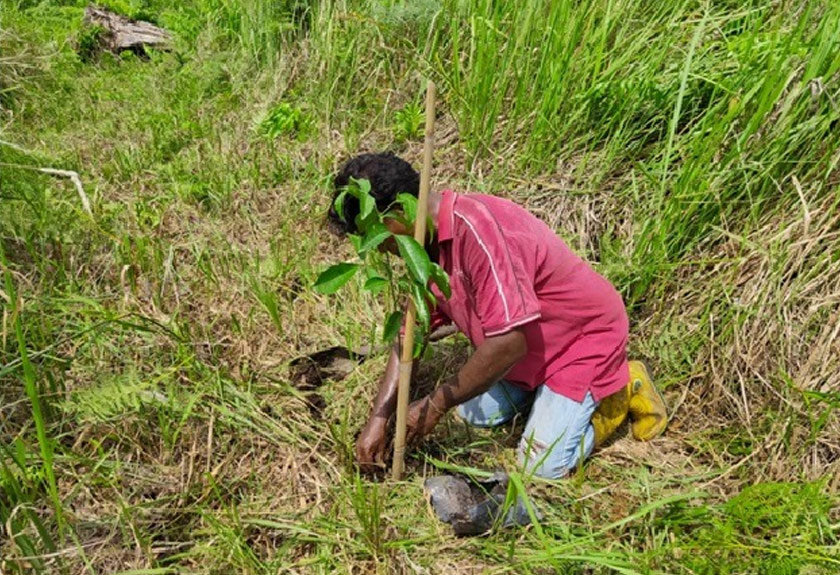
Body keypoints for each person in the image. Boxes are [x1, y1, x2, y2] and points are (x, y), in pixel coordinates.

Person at [327, 152, 668, 478]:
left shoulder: (479, 233)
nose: (379, 248)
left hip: (579, 340)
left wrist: (434, 405)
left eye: (375, 235)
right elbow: (411, 334)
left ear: (400, 211)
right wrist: (379, 417)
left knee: (541, 467)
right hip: (529, 347)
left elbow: (508, 344)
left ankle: (622, 388)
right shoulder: (421, 244)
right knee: (472, 415)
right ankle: (543, 394)